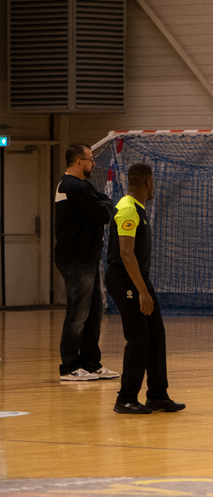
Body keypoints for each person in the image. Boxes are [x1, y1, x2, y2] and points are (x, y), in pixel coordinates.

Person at [105, 163, 184, 414]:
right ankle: (126, 398)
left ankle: (158, 395)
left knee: (156, 334)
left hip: (137, 277)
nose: (154, 186)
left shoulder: (138, 208)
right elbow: (126, 254)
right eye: (153, 181)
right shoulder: (128, 209)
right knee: (138, 337)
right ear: (148, 183)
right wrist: (142, 291)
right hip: (125, 278)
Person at [54, 143, 119, 382]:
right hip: (75, 259)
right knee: (78, 315)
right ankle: (70, 367)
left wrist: (104, 205)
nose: (94, 163)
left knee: (94, 314)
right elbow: (104, 213)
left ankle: (91, 364)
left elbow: (106, 203)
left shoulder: (82, 186)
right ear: (79, 162)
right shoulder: (72, 186)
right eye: (91, 159)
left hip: (87, 259)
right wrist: (104, 206)